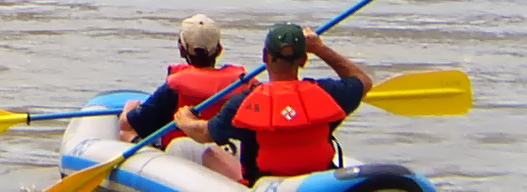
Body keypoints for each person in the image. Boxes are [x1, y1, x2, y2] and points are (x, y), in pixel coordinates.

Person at [173, 23, 374, 183]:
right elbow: (363, 81)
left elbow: (203, 133)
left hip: (267, 185)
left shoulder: (245, 102)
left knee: (202, 150)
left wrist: (185, 119)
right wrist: (320, 49)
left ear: (265, 57)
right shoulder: (328, 93)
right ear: (304, 59)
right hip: (320, 181)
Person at [116, 14, 244, 154]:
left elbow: (129, 124)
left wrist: (127, 110)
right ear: (219, 49)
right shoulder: (241, 85)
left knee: (125, 132)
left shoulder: (173, 88)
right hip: (226, 151)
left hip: (181, 157)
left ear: (182, 50)